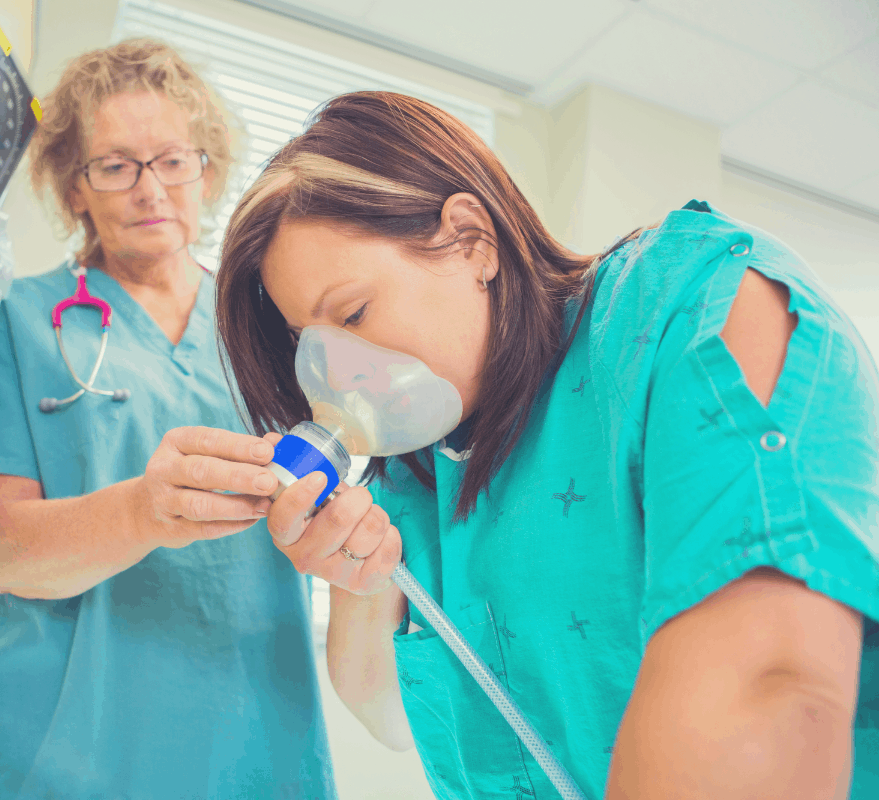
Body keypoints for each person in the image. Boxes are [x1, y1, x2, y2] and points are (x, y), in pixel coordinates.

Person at [214, 91, 879, 799]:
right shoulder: (416, 474)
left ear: (472, 240)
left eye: (352, 313)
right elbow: (390, 716)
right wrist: (360, 583)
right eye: (307, 343)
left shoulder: (696, 311)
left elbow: (766, 691)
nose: (335, 373)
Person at [0, 40, 335, 800]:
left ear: (207, 170)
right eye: (116, 166)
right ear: (75, 188)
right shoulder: (18, 323)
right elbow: (5, 551)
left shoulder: (278, 329)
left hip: (248, 734)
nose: (150, 188)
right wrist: (143, 511)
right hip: (57, 742)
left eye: (172, 161)